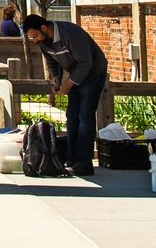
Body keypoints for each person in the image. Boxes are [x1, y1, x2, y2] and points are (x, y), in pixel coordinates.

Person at [26, 13, 110, 176]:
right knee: (72, 116)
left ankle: (84, 162)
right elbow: (51, 61)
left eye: (35, 35)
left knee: (85, 117)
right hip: (75, 73)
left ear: (44, 28)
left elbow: (86, 62)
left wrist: (70, 83)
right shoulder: (44, 42)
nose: (35, 40)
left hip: (93, 72)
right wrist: (57, 80)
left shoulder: (71, 33)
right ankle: (72, 159)